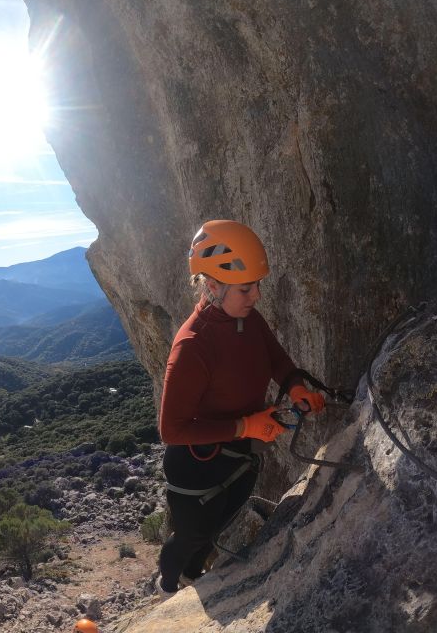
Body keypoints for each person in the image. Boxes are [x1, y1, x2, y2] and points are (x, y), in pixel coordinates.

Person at [155, 220, 325, 597]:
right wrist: (245, 426)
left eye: (257, 285)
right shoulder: (193, 346)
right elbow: (172, 429)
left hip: (238, 457)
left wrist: (295, 387)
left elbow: (277, 360)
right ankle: (169, 587)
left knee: (217, 527)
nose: (256, 296)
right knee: (191, 535)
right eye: (246, 288)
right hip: (196, 469)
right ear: (212, 285)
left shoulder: (247, 319)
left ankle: (195, 576)